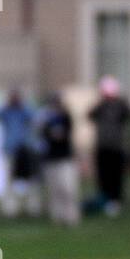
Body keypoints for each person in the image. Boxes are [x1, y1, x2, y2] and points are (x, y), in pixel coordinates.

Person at [88, 76, 130, 216]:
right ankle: (104, 200)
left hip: (116, 147)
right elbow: (90, 115)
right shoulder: (100, 107)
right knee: (103, 176)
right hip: (102, 147)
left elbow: (129, 115)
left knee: (116, 176)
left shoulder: (120, 106)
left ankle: (115, 201)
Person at [0, 90, 41, 217]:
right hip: (10, 151)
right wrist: (6, 105)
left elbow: (35, 118)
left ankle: (33, 208)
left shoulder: (25, 111)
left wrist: (24, 105)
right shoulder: (6, 112)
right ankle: (10, 209)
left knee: (31, 179)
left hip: (26, 150)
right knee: (8, 181)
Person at [37, 94, 80, 225]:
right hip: (50, 159)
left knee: (68, 187)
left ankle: (71, 216)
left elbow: (65, 134)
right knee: (54, 189)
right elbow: (44, 134)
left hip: (65, 158)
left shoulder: (66, 118)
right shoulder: (46, 120)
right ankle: (57, 216)